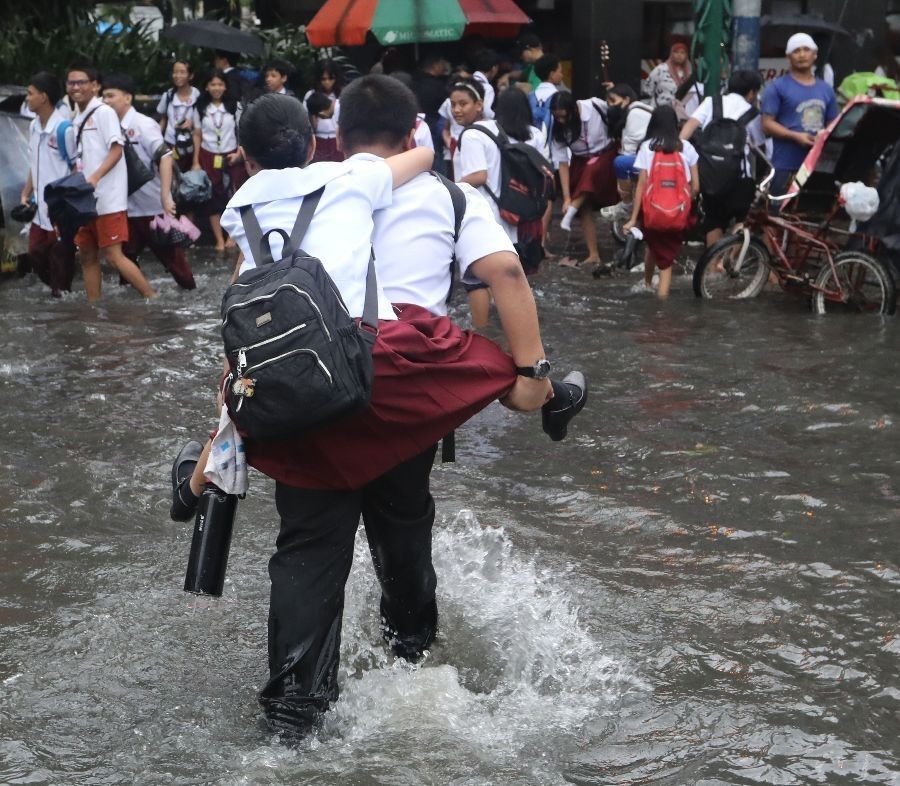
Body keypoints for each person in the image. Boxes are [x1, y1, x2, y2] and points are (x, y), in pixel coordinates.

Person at [170, 83, 585, 740]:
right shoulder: (444, 194)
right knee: (404, 524)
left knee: (307, 547)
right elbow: (506, 275)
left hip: (299, 397)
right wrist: (530, 373)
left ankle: (294, 712)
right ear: (412, 132)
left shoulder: (268, 202)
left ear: (333, 139)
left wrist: (232, 416)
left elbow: (246, 319)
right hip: (396, 390)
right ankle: (411, 658)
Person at [67, 65, 156, 300]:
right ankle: (94, 307)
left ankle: (152, 297)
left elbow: (117, 150)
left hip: (108, 198)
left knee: (113, 256)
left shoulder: (103, 112)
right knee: (86, 254)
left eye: (81, 82)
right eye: (71, 83)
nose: (75, 87)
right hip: (85, 200)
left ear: (95, 86)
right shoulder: (76, 118)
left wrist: (95, 177)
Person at [102, 73, 195, 290]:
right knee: (125, 257)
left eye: (111, 96)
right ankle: (132, 300)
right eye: (103, 96)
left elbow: (165, 156)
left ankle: (191, 295)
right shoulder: (106, 125)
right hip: (123, 207)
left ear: (127, 98)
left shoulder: (143, 124)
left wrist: (165, 195)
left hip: (152, 206)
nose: (106, 101)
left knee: (173, 260)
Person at [680, 69, 764, 247]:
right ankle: (732, 258)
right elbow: (759, 145)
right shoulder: (753, 113)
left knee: (714, 220)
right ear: (751, 92)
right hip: (740, 178)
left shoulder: (712, 102)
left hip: (709, 173)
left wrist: (679, 151)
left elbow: (690, 126)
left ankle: (714, 261)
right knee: (742, 220)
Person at [623, 105, 700, 298]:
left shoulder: (648, 147)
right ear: (675, 124)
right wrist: (681, 206)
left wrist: (633, 219)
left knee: (652, 246)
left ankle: (655, 296)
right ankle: (659, 300)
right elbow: (696, 187)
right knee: (666, 261)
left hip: (652, 213)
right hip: (678, 214)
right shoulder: (686, 147)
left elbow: (641, 186)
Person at [19, 71, 77, 297]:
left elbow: (76, 168)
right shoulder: (34, 126)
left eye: (30, 93)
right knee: (35, 253)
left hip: (59, 208)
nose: (27, 98)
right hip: (39, 207)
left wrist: (71, 203)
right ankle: (57, 293)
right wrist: (26, 193)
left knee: (60, 258)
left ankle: (64, 300)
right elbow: (34, 163)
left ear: (43, 97)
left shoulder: (64, 129)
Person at [760, 33, 839, 196]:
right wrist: (795, 136)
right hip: (785, 166)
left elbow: (833, 125)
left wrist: (822, 137)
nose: (802, 55)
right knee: (779, 210)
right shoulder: (776, 87)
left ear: (815, 54)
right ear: (788, 57)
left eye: (806, 50)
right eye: (796, 51)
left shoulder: (826, 90)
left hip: (817, 167)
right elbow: (766, 124)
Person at [551, 91, 618, 267]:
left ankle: (573, 208)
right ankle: (593, 254)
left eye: (564, 116)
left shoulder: (595, 106)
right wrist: (566, 197)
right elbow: (562, 164)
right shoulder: (558, 128)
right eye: (557, 117)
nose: (561, 121)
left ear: (574, 110)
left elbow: (617, 114)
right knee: (584, 207)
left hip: (605, 156)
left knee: (591, 171)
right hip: (580, 161)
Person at [191, 69, 245, 252]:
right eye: (213, 84)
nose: (216, 88)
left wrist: (239, 153)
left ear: (225, 86)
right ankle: (218, 239)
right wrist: (196, 160)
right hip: (209, 154)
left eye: (220, 84)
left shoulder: (234, 106)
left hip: (231, 155)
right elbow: (197, 134)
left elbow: (241, 132)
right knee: (212, 197)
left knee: (234, 193)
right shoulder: (200, 107)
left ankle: (232, 236)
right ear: (206, 87)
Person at [603, 83, 653, 223]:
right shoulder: (634, 110)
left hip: (651, 160)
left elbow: (629, 149)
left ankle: (627, 205)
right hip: (648, 157)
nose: (610, 106)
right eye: (608, 102)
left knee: (620, 163)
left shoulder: (635, 113)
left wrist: (622, 187)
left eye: (613, 101)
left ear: (626, 100)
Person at [156, 60, 200, 168]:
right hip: (170, 142)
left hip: (190, 144)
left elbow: (202, 125)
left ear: (191, 76)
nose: (177, 75)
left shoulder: (197, 96)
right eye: (175, 72)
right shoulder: (168, 95)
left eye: (182, 72)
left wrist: (192, 124)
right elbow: (163, 119)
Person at [304, 59, 344, 163]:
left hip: (338, 140)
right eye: (323, 79)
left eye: (331, 78)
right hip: (318, 140)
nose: (327, 82)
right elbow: (305, 120)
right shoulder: (310, 95)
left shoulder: (342, 95)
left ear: (336, 78)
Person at [643, 42, 692, 108]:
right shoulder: (661, 69)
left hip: (682, 110)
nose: (679, 55)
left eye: (682, 53)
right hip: (661, 108)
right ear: (671, 54)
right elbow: (647, 89)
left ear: (686, 55)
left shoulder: (689, 73)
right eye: (676, 52)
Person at [471, 49, 500, 119]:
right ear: (494, 68)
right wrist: (498, 118)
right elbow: (485, 112)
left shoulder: (464, 82)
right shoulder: (487, 88)